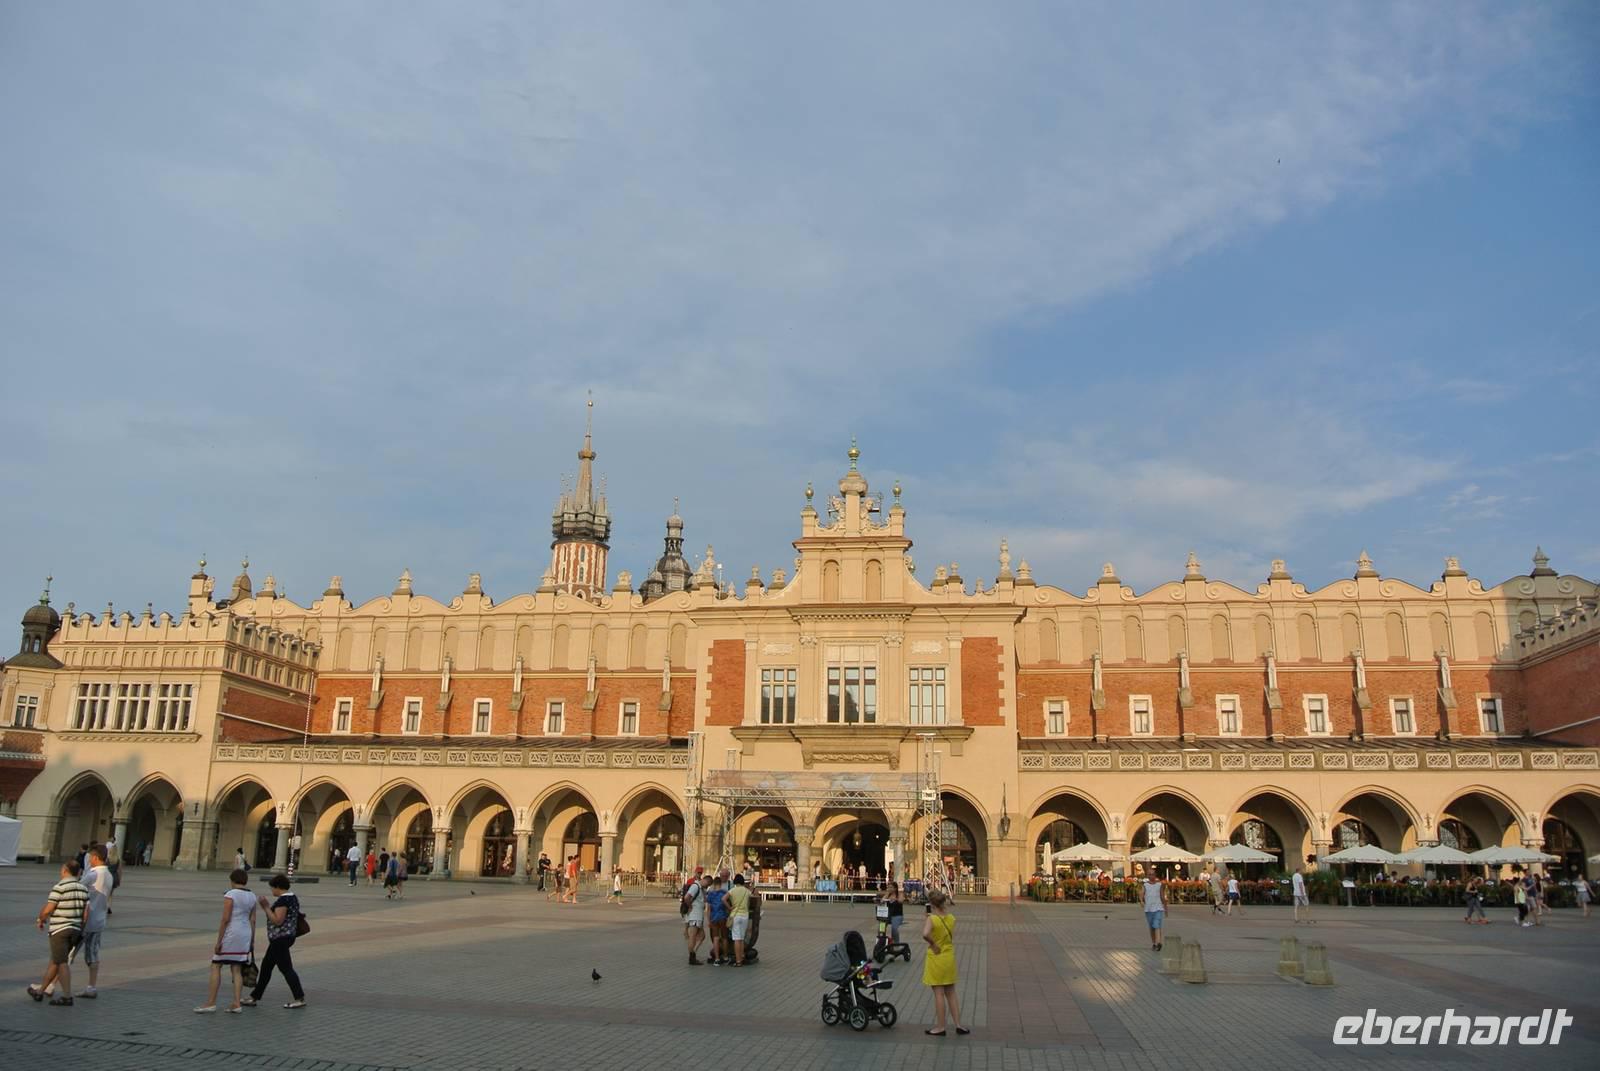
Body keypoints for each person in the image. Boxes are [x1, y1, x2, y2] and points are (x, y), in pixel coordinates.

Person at [30, 859, 89, 1006]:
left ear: (64, 870)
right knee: (55, 961)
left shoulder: (59, 887)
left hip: (60, 930)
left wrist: (41, 919)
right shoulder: (83, 888)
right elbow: (86, 913)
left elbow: (50, 908)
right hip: (75, 930)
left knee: (62, 963)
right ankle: (40, 991)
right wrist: (80, 928)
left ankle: (67, 996)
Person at [196, 868, 257, 1013]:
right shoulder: (252, 896)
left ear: (232, 880)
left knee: (216, 965)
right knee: (236, 969)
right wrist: (252, 940)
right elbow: (253, 920)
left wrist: (219, 941)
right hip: (245, 934)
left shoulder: (230, 894)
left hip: (232, 932)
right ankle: (236, 1003)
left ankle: (211, 1002)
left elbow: (225, 919)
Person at [244, 873, 306, 1009]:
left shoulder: (284, 900)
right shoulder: (292, 897)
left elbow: (278, 920)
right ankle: (254, 996)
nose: (272, 891)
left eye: (272, 888)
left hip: (280, 939)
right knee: (266, 967)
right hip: (284, 938)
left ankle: (299, 998)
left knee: (286, 968)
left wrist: (266, 907)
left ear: (278, 887)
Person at [921, 888, 966, 1036]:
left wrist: (933, 944)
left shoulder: (931, 919)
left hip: (936, 956)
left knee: (939, 993)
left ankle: (941, 1027)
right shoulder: (951, 918)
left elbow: (925, 934)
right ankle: (958, 1024)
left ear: (932, 904)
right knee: (951, 992)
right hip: (948, 956)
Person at [681, 867, 707, 965]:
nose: (699, 874)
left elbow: (703, 895)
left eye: (701, 873)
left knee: (700, 936)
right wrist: (689, 905)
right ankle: (692, 955)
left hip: (697, 913)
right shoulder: (691, 882)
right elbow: (686, 896)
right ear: (695, 872)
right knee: (692, 935)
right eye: (698, 872)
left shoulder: (701, 883)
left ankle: (693, 953)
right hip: (692, 912)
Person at [726, 873, 752, 966]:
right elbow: (750, 901)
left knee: (736, 939)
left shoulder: (732, 890)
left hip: (735, 915)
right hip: (745, 915)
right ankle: (742, 956)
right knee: (741, 938)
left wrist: (729, 907)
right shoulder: (747, 891)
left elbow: (723, 899)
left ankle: (738, 961)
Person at [704, 874, 729, 965]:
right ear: (721, 884)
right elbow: (726, 906)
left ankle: (717, 958)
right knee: (725, 937)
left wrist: (708, 920)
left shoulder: (710, 894)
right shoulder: (725, 893)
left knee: (715, 938)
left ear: (714, 884)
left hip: (714, 917)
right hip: (723, 916)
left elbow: (708, 909)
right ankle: (726, 957)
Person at [1142, 872, 1168, 952]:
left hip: (1158, 908)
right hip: (1148, 909)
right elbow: (1141, 894)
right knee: (1152, 927)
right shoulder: (1145, 885)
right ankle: (1154, 942)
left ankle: (1158, 943)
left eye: (1153, 874)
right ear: (1148, 876)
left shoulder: (1159, 885)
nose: (1151, 876)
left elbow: (1162, 896)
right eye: (1149, 874)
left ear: (1155, 876)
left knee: (1157, 925)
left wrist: (1165, 908)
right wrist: (1141, 901)